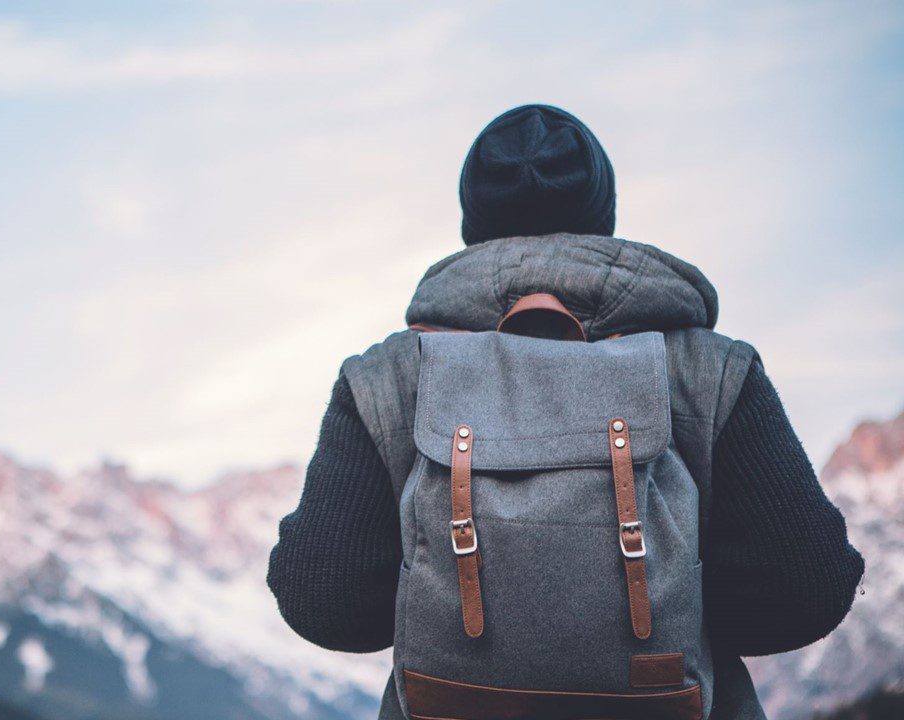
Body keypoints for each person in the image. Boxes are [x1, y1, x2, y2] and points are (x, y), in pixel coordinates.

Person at [266, 104, 864, 719]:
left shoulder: (388, 379)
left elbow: (322, 599)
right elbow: (807, 589)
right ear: (601, 218)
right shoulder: (708, 371)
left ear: (473, 224)